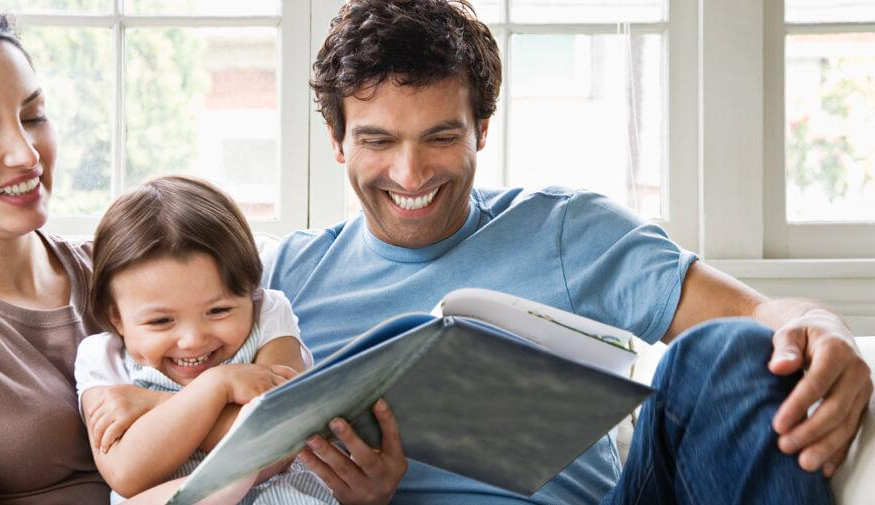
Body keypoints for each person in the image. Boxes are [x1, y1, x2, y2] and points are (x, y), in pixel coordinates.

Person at [260, 1, 874, 504]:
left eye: (441, 137)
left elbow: (758, 318)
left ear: (481, 130)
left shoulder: (565, 228)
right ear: (338, 141)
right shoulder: (281, 279)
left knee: (729, 353)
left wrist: (817, 323)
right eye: (378, 140)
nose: (410, 172)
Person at [0, 2, 241, 504]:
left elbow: (258, 396)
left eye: (33, 116)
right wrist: (231, 477)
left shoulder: (123, 268)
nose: (25, 154)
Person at [73, 175, 336, 504]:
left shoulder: (268, 316)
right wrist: (219, 386)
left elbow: (275, 446)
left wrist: (155, 405)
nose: (193, 340)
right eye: (161, 321)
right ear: (117, 318)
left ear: (251, 292)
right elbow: (127, 472)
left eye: (219, 310)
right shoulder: (102, 357)